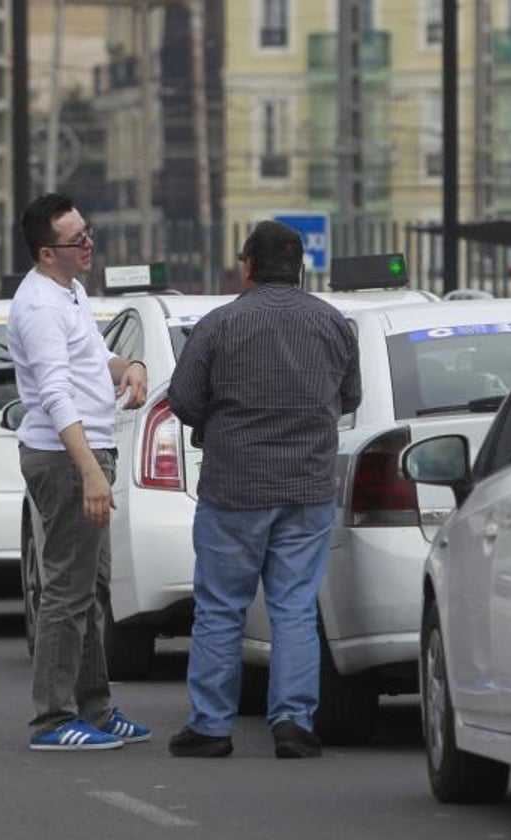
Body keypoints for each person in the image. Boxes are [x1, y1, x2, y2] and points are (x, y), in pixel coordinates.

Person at [166, 220, 361, 759]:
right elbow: (350, 397)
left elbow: (183, 399)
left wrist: (224, 419)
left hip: (234, 488)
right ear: (299, 269)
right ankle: (294, 724)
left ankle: (210, 726)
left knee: (221, 607)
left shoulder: (220, 324)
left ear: (247, 267)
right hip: (308, 488)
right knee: (295, 606)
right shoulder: (332, 323)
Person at [8, 193, 151, 751]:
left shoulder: (69, 292)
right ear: (47, 253)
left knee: (91, 589)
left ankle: (94, 707)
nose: (89, 243)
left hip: (87, 454)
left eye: (87, 231)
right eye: (77, 239)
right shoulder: (39, 306)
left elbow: (93, 357)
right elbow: (54, 395)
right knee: (67, 592)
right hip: (67, 459)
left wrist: (131, 365)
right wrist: (90, 472)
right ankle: (52, 718)